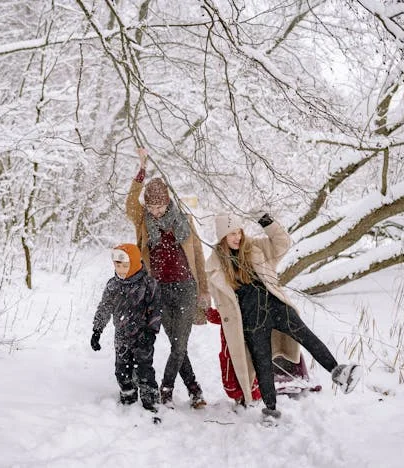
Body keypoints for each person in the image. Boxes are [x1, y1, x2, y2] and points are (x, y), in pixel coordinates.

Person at [205, 212, 362, 422]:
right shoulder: (214, 267)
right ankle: (270, 411)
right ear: (222, 236)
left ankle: (338, 372)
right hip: (251, 320)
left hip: (275, 307)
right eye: (231, 234)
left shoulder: (255, 247)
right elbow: (222, 304)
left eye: (239, 232)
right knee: (263, 364)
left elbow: (282, 242)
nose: (237, 238)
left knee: (305, 335)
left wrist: (264, 220)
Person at [125, 147, 209, 409]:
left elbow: (197, 254)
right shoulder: (142, 220)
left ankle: (167, 388)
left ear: (168, 202)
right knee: (176, 344)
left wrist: (203, 289)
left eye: (160, 206)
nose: (157, 211)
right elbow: (130, 203)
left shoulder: (183, 219)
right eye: (152, 206)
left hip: (185, 287)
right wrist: (141, 168)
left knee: (180, 343)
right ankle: (195, 390)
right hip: (158, 288)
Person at [91, 243, 162, 413]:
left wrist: (151, 332)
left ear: (136, 263)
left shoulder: (148, 284)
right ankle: (128, 396)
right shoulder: (113, 285)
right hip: (121, 335)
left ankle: (150, 399)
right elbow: (105, 307)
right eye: (117, 265)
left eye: (125, 265)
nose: (121, 270)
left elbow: (155, 310)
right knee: (122, 370)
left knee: (144, 369)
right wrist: (97, 330)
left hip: (143, 334)